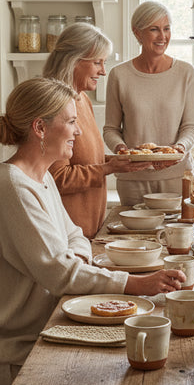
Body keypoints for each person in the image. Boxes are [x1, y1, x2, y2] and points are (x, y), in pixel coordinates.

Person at [0, 77, 185, 385]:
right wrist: (137, 284)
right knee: (114, 380)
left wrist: (73, 260)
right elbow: (61, 275)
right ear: (40, 128)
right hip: (1, 349)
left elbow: (74, 235)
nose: (78, 131)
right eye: (72, 122)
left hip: (32, 328)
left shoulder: (41, 177)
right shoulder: (13, 187)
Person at [43, 23, 152, 237]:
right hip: (68, 232)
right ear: (73, 61)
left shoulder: (82, 99)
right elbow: (59, 177)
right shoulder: (55, 104)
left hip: (90, 228)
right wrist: (108, 169)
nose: (103, 71)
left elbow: (84, 159)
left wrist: (114, 162)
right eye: (97, 63)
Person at [103, 1, 194, 206]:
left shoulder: (185, 72)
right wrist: (121, 150)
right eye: (154, 29)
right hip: (132, 179)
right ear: (137, 33)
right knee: (134, 238)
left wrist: (179, 149)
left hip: (176, 178)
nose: (162, 37)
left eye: (166, 29)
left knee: (177, 236)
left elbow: (190, 127)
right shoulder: (119, 75)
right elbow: (111, 129)